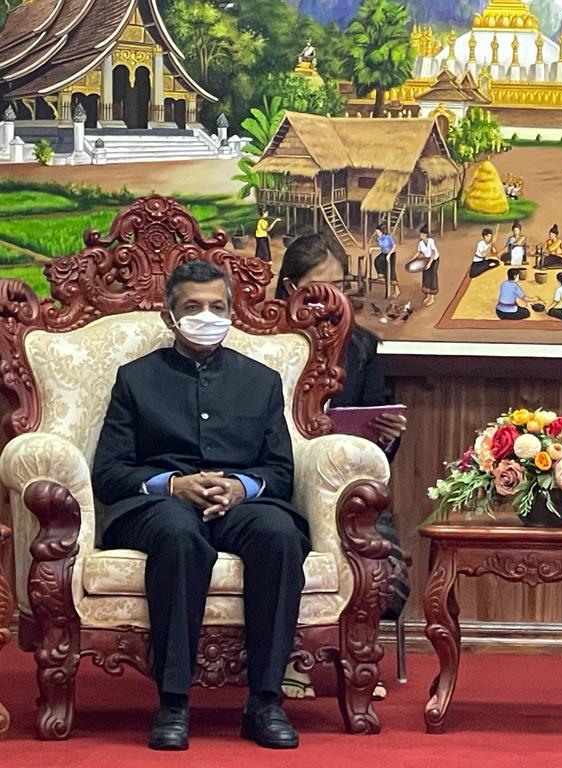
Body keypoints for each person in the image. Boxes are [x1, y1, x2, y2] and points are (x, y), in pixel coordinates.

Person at [92, 260, 310, 751]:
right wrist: (173, 485)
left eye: (217, 306)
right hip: (161, 506)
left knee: (278, 533)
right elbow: (108, 472)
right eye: (193, 307)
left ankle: (266, 701)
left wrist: (239, 488)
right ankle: (173, 704)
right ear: (170, 317)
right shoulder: (136, 379)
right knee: (178, 533)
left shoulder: (261, 380)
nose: (206, 316)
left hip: (241, 501)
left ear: (233, 312)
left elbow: (279, 471)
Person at [274, 234, 411, 702]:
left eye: (341, 287)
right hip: (277, 482)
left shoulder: (363, 346)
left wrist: (386, 436)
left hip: (347, 490)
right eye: (321, 287)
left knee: (386, 574)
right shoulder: (263, 343)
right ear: (291, 286)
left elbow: (375, 426)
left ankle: (357, 660)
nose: (334, 300)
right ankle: (294, 659)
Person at [413, 225, 440, 307]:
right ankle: (428, 295)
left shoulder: (431, 241)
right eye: (420, 234)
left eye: (422, 234)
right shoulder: (421, 243)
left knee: (432, 276)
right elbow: (419, 252)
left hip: (434, 259)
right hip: (426, 259)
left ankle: (432, 298)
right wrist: (412, 259)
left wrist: (429, 263)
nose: (421, 236)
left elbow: (433, 253)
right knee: (426, 276)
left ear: (426, 235)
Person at [372, 223, 399, 296]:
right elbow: (382, 248)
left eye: (378, 232)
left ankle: (396, 290)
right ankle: (381, 275)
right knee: (377, 261)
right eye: (376, 232)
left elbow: (393, 246)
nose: (377, 234)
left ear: (382, 232)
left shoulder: (388, 237)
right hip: (384, 253)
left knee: (391, 270)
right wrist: (373, 249)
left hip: (391, 254)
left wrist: (389, 254)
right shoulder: (378, 239)